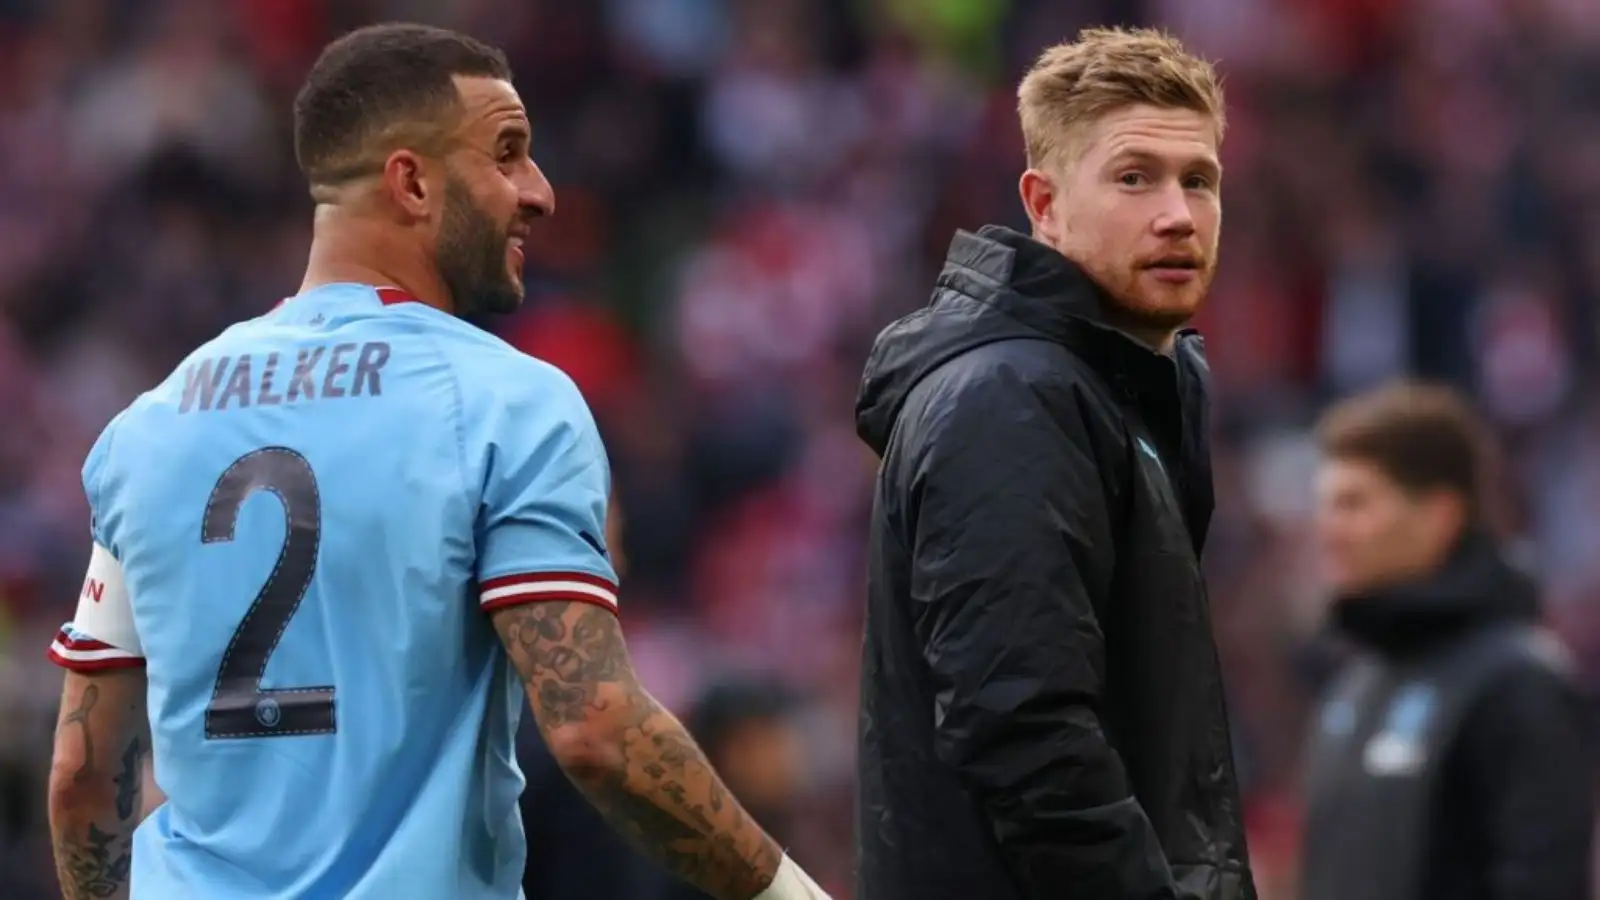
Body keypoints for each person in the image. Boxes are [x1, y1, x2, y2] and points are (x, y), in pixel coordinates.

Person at [42, 23, 828, 900]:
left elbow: (81, 771)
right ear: (411, 182)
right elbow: (595, 730)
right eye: (507, 154)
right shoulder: (507, 402)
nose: (541, 192)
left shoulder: (150, 427)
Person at [853, 26, 1255, 900]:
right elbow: (1026, 733)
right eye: (1133, 176)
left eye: (1200, 180)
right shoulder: (1010, 398)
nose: (1178, 214)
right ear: (1043, 205)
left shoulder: (1116, 387)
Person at [1301, 381, 1592, 900]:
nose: (1329, 529)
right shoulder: (1353, 688)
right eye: (1326, 505)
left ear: (1439, 515)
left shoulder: (1518, 686)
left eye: (1355, 504)